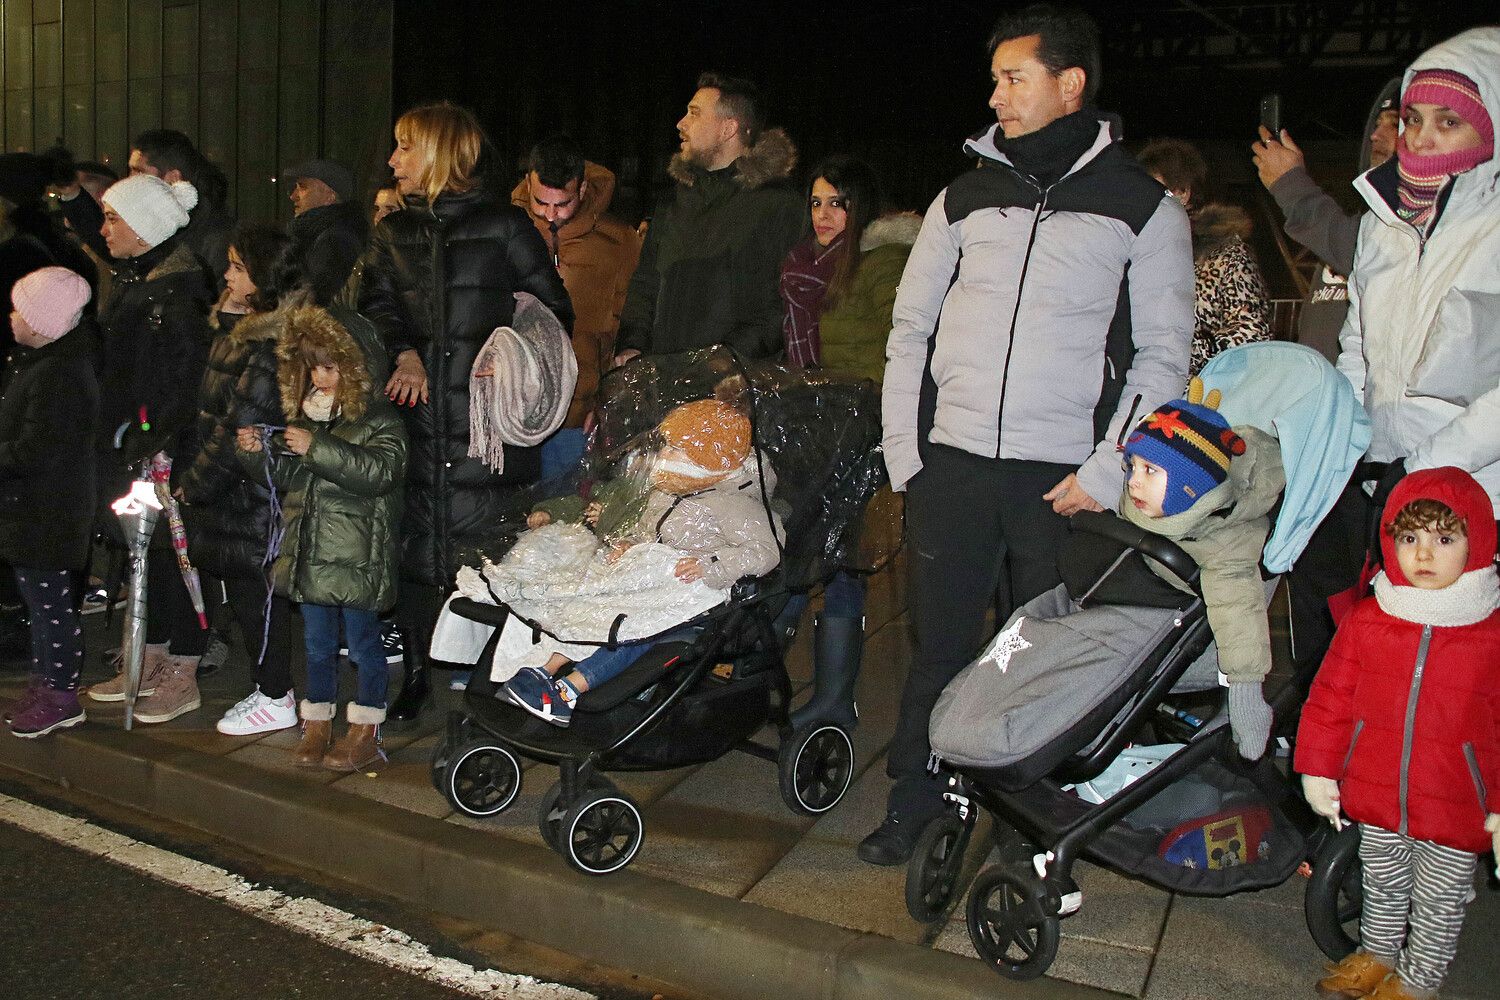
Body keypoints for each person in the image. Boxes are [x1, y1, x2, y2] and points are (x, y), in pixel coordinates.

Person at [866, 2, 1193, 866]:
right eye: (997, 78)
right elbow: (910, 329)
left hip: (1064, 480)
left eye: (1015, 77)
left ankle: (1027, 825)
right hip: (956, 466)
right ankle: (917, 797)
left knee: (1038, 654)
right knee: (938, 647)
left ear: (1069, 83)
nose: (997, 94)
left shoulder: (1143, 208)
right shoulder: (964, 194)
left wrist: (1110, 468)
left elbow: (1164, 353)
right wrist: (910, 454)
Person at [359, 101, 572, 723]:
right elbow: (373, 305)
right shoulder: (394, 231)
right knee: (419, 548)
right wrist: (404, 352)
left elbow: (552, 312)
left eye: (405, 146)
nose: (393, 159)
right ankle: (422, 673)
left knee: (490, 545)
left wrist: (505, 351)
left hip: (489, 425)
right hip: (418, 415)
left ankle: (490, 676)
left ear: (441, 154)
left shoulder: (506, 227)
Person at [1297, 468, 1500, 1000]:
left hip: (1456, 804)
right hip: (1378, 790)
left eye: (1445, 538)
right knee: (1382, 884)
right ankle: (1377, 955)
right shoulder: (1370, 619)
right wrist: (1319, 767)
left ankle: (1417, 982)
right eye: (1409, 538)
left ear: (1477, 544)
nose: (1424, 555)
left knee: (1438, 901)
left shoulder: (1490, 635)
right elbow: (1330, 699)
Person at [501, 399, 780, 726]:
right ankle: (545, 668)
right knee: (593, 606)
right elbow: (649, 529)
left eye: (676, 450)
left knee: (632, 627)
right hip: (654, 578)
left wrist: (712, 564)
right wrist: (629, 543)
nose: (663, 458)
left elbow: (766, 549)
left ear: (707, 457)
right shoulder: (669, 494)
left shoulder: (735, 504)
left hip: (696, 593)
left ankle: (566, 692)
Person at [776, 155, 919, 729]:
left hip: (860, 430)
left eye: (838, 202)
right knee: (794, 549)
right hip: (810, 427)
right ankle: (763, 673)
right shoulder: (802, 265)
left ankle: (834, 697)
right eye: (816, 202)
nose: (825, 215)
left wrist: (868, 407)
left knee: (840, 557)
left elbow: (907, 347)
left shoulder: (881, 264)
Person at [1338, 33, 1500, 526]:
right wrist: (1344, 447)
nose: (1421, 138)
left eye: (1449, 122)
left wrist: (1425, 467)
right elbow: (1357, 350)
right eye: (1413, 119)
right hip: (1386, 489)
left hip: (1483, 498)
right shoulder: (1381, 222)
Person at [237, 307, 407, 771]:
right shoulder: (312, 417)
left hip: (358, 558)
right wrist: (258, 455)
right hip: (312, 556)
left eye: (331, 366)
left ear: (356, 369)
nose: (321, 376)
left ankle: (366, 727)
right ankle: (317, 721)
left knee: (364, 646)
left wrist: (319, 447)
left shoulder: (380, 420)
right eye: (313, 366)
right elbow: (293, 476)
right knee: (315, 646)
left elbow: (380, 472)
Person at [85, 174, 215, 723]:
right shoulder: (144, 280)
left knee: (175, 555)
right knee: (149, 557)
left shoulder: (175, 294)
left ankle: (182, 667)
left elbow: (180, 383)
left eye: (114, 219)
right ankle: (150, 653)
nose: (103, 228)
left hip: (164, 449)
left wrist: (146, 436)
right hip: (136, 443)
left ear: (144, 229)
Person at [179, 225, 305, 737]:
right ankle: (267, 685)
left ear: (263, 276)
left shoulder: (270, 347)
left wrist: (195, 482)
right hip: (230, 493)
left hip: (250, 495)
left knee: (258, 597)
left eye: (238, 266)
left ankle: (276, 693)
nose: (227, 275)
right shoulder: (244, 332)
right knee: (245, 592)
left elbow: (239, 425)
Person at [1118, 381, 1282, 760]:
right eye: (1132, 467)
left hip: (1200, 636)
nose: (1133, 481)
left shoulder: (1227, 542)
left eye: (1149, 470)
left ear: (1190, 488)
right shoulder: (1148, 502)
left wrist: (1245, 698)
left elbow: (1240, 621)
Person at [614, 72, 804, 364]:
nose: (681, 124)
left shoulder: (778, 205)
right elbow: (645, 283)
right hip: (664, 384)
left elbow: (781, 305)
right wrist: (632, 345)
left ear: (728, 128)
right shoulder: (674, 200)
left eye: (694, 113)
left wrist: (725, 362)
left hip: (733, 393)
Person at [0, 269, 99, 738]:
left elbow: (37, 448)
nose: (11, 316)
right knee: (38, 604)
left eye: (19, 309)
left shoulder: (58, 374)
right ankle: (45, 682)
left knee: (52, 607)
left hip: (49, 511)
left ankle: (61, 694)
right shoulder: (39, 363)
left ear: (41, 323)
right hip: (30, 509)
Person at [510, 135, 641, 479]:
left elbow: (625, 329)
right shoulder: (507, 231)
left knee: (564, 521)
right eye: (541, 202)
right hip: (511, 411)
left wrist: (608, 402)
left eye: (562, 204)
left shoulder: (618, 241)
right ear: (528, 183)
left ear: (582, 190)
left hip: (577, 417)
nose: (551, 215)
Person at [1250, 78, 1401, 363]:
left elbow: (1359, 252)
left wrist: (1291, 186)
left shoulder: (1409, 229)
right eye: (1376, 123)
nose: (1375, 135)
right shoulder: (1364, 221)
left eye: (1393, 123)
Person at [1137, 138, 1271, 376]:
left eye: (1151, 187)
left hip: (1206, 395)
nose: (1141, 198)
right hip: (1146, 389)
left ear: (1182, 192)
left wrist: (1186, 352)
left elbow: (1252, 332)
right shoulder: (1137, 252)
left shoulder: (1228, 256)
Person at [128, 129, 236, 291]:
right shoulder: (148, 224)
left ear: (173, 178)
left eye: (139, 171)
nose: (130, 180)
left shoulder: (216, 237)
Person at [284, 159, 369, 306]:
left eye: (302, 187)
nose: (293, 196)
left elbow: (316, 300)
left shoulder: (337, 240)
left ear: (329, 196)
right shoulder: (315, 233)